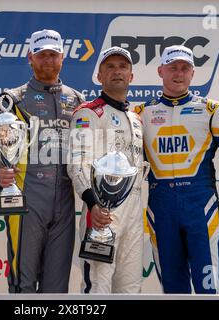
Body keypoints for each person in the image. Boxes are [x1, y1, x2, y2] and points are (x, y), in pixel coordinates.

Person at [135, 45, 219, 294]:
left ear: (192, 73)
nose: (178, 74)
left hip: (200, 204)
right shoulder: (141, 113)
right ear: (161, 71)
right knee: (172, 287)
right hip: (161, 205)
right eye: (173, 68)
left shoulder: (211, 109)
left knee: (210, 284)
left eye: (184, 68)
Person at [0, 29, 84, 293]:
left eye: (53, 54)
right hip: (27, 199)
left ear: (62, 57)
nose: (48, 60)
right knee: (23, 282)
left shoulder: (76, 100)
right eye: (42, 55)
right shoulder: (13, 98)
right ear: (30, 57)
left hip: (65, 201)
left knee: (57, 287)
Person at [67, 47, 145, 293]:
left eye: (123, 67)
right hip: (101, 210)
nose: (117, 71)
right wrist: (93, 203)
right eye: (109, 67)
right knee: (98, 286)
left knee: (131, 288)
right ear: (99, 76)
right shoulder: (88, 113)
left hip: (134, 210)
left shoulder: (135, 118)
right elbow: (77, 164)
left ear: (131, 76)